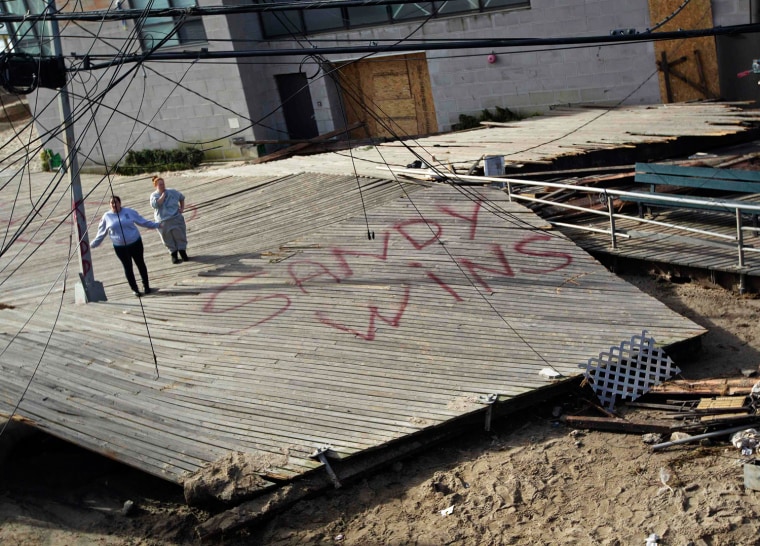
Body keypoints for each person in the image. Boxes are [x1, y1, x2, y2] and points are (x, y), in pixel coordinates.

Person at [90, 195, 159, 297]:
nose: (114, 204)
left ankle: (146, 286)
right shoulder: (106, 217)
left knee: (140, 263)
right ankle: (135, 289)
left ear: (120, 203)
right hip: (120, 247)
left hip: (135, 243)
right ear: (109, 205)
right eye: (112, 203)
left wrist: (157, 225)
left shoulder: (129, 212)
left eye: (116, 202)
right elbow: (101, 233)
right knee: (128, 267)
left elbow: (142, 221)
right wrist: (92, 245)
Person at [150, 175, 189, 264]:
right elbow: (156, 204)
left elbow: (181, 198)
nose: (162, 186)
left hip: (175, 218)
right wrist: (162, 196)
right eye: (160, 185)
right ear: (156, 186)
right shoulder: (154, 195)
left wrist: (182, 208)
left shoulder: (172, 191)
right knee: (167, 238)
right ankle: (173, 254)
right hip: (162, 221)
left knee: (180, 236)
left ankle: (183, 252)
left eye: (163, 184)